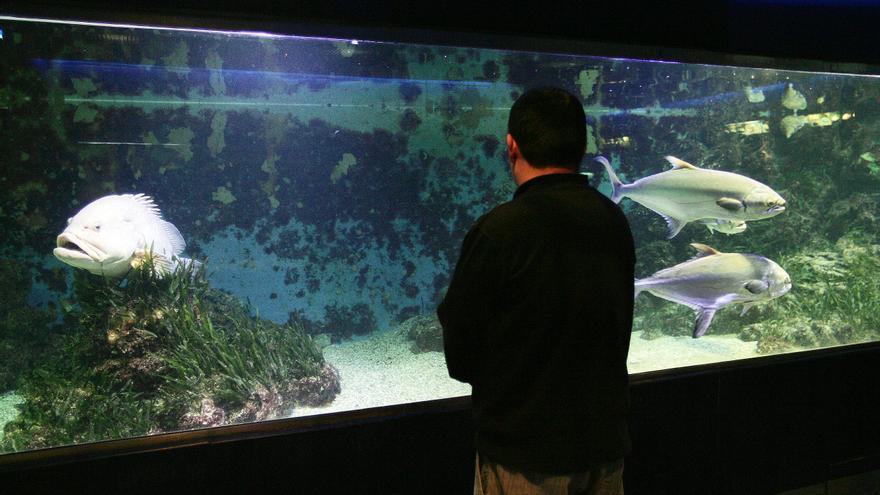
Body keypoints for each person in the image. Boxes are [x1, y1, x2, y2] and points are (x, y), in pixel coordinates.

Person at [437, 87, 635, 495]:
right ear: (582, 146)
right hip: (603, 449)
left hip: (523, 459)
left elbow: (461, 352)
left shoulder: (500, 230)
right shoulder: (612, 221)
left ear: (512, 146)